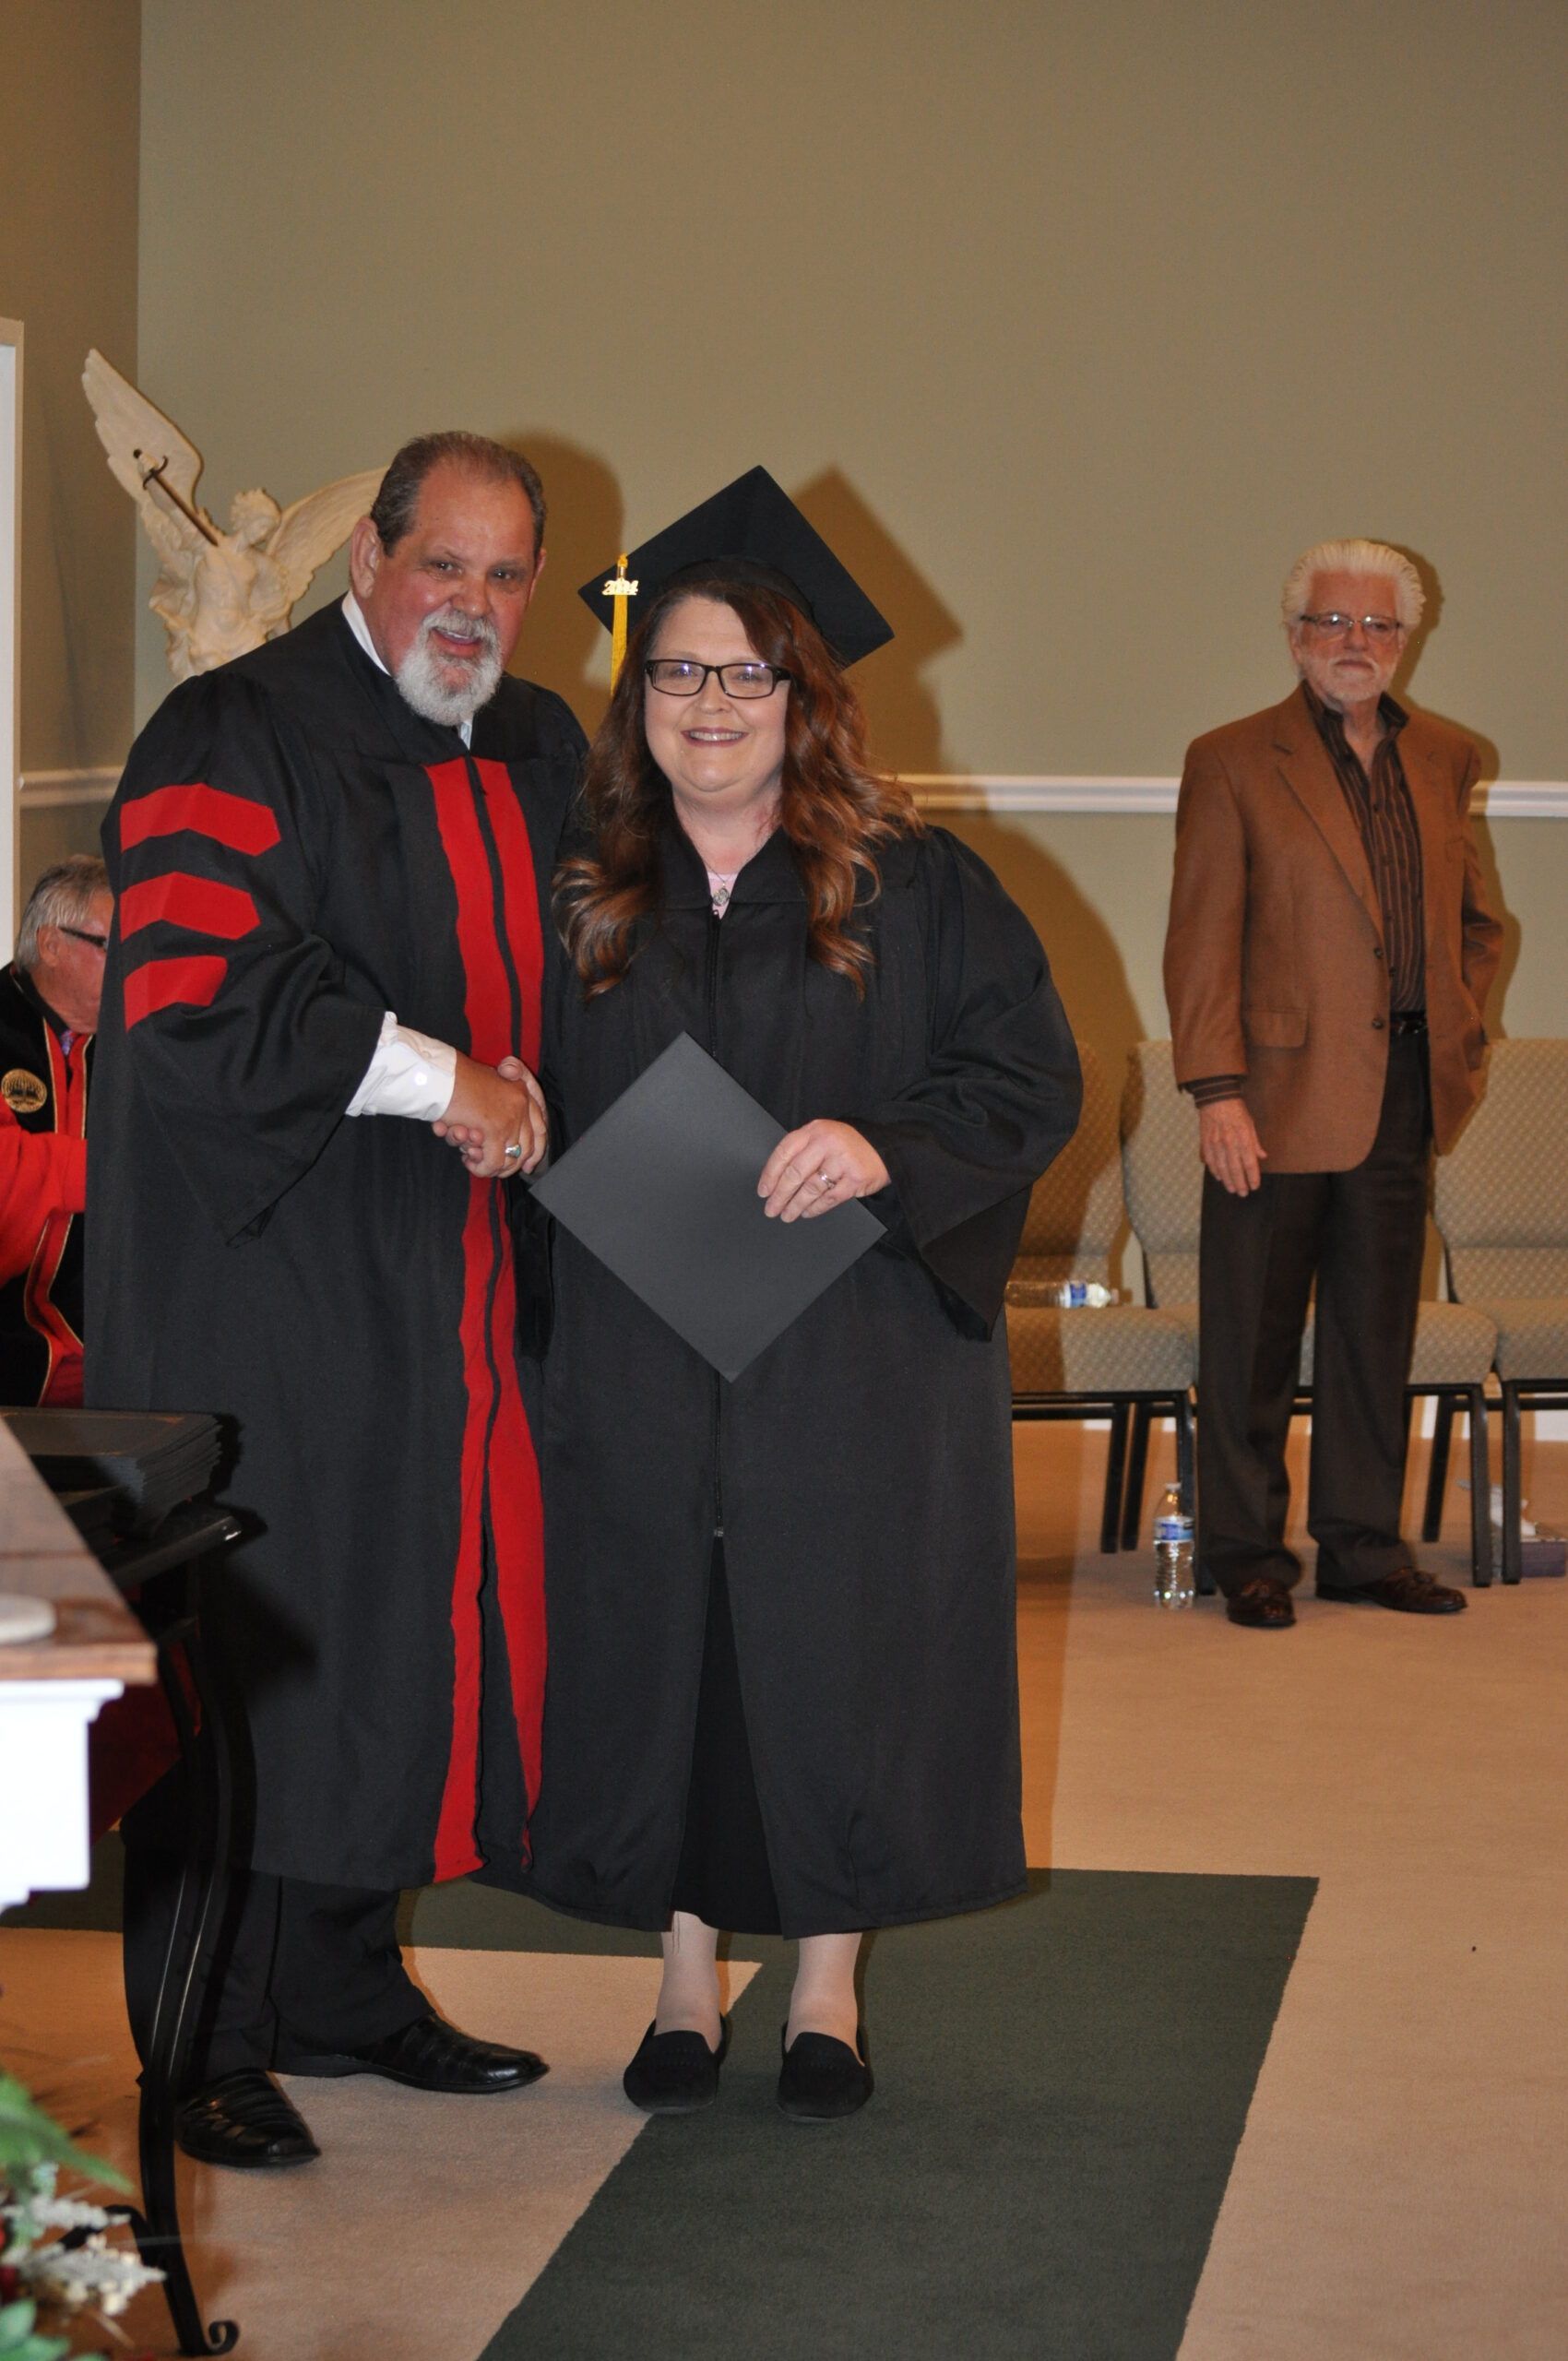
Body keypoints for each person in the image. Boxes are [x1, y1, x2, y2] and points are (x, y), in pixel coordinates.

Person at [518, 470, 1080, 2119]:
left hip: (851, 1346)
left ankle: (826, 1989)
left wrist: (880, 1147)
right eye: (678, 670)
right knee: (668, 1645)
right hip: (634, 1342)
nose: (709, 704)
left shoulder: (915, 883)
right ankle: (684, 1982)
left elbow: (1024, 1083)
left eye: (746, 673)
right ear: (642, 694)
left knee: (832, 1645)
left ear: (804, 694)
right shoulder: (576, 888)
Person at [89, 432, 586, 2168]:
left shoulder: (531, 744)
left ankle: (343, 1982)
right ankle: (200, 2038)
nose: (472, 605)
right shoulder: (233, 731)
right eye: (441, 563)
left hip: (445, 1283)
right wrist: (449, 1078)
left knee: (398, 1623)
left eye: (506, 574)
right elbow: (201, 986)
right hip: (268, 1279)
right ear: (368, 556)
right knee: (255, 1637)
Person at [1163, 538, 1503, 1629]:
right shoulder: (1228, 758)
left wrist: (1457, 1033)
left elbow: (1478, 922)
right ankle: (1246, 1553)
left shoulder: (1446, 755)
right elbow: (1200, 938)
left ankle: (1361, 1545)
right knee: (1249, 1339)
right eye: (1332, 623)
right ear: (1294, 634)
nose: (1354, 644)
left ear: (1405, 639)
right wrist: (1215, 1088)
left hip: (1403, 1090)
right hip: (1266, 1097)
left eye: (1376, 626)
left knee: (1372, 1336)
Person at [1, 857, 111, 1405]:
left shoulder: (145, 1044)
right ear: (51, 944)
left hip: (114, 1343)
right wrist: (110, 1172)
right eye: (111, 946)